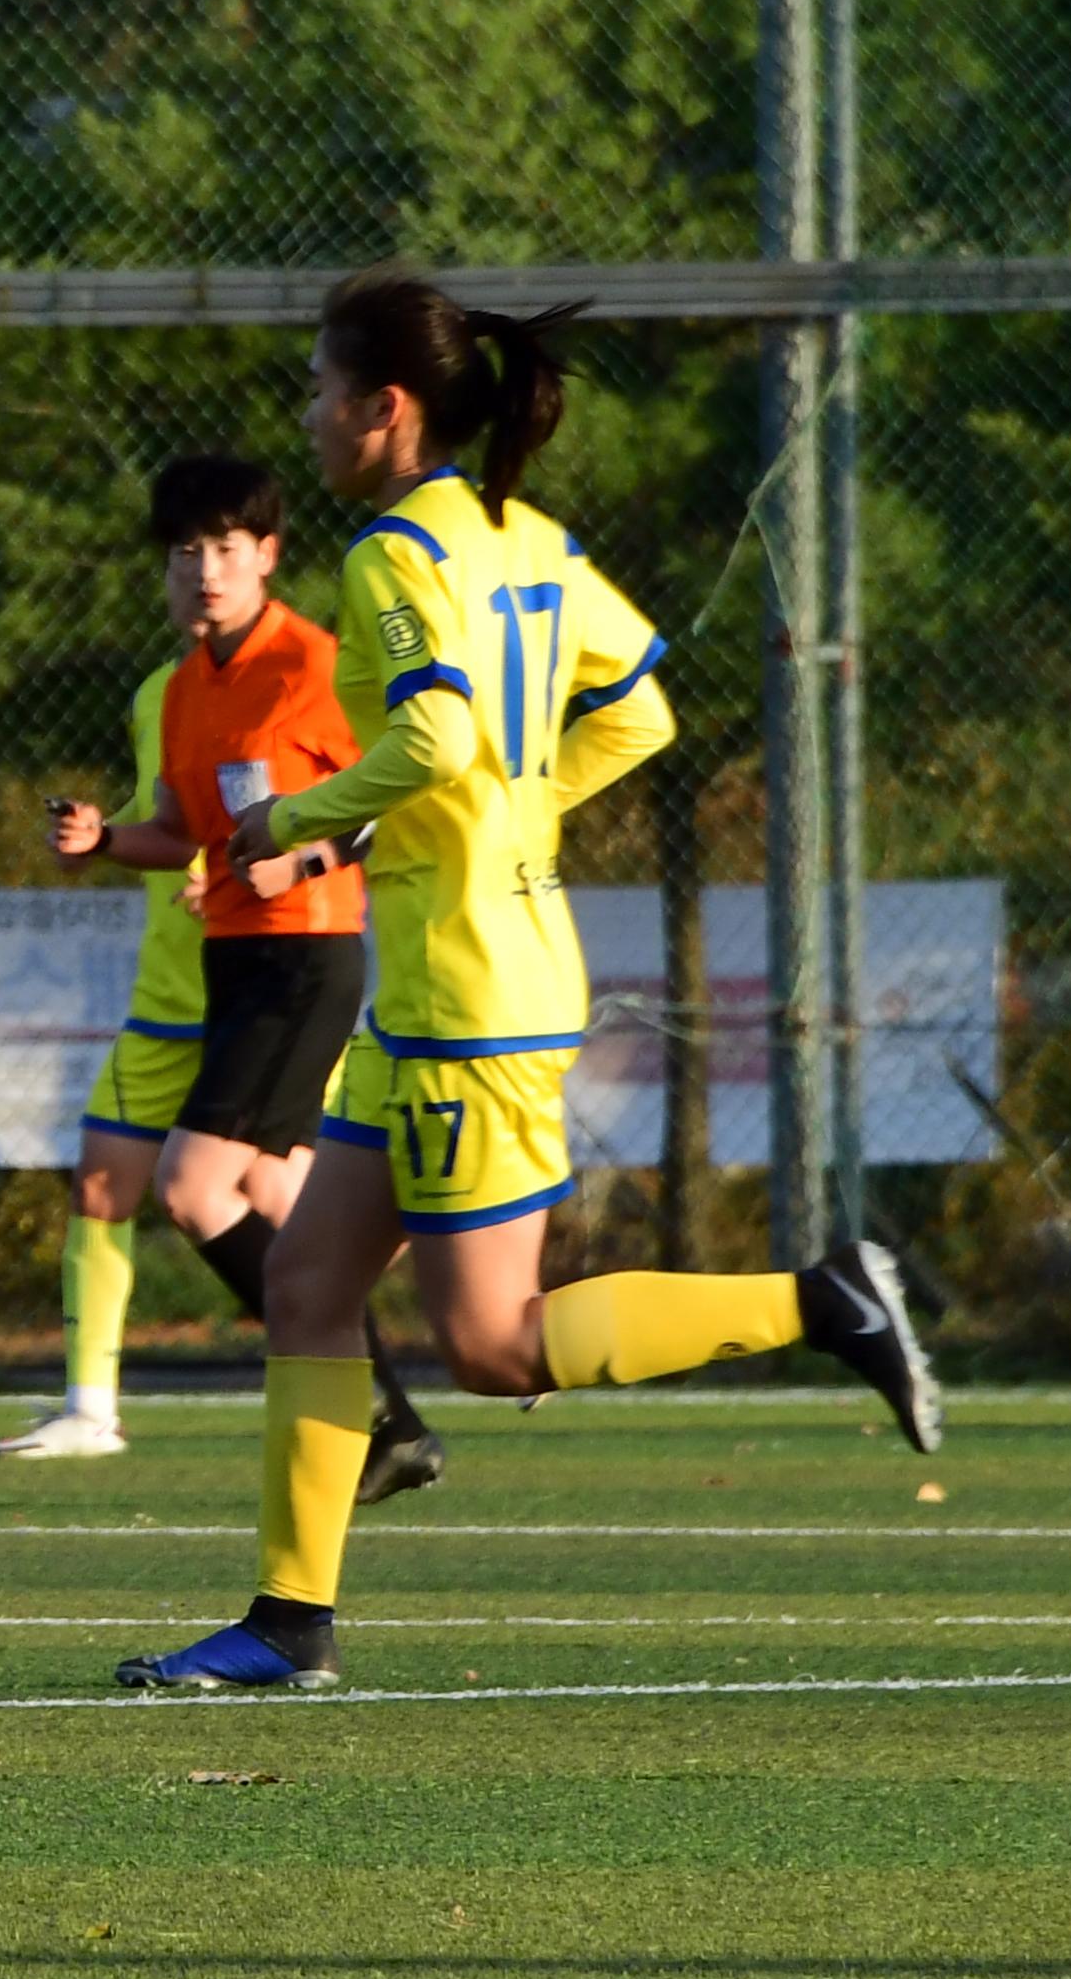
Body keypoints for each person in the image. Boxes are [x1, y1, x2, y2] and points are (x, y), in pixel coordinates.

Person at [118, 276, 933, 1695]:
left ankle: (826, 1300)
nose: (305, 415)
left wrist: (296, 820)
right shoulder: (522, 534)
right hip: (448, 982)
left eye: (320, 389)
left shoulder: (387, 556)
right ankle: (286, 1625)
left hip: (468, 993)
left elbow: (431, 741)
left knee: (493, 1347)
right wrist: (519, 806)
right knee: (308, 1279)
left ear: (385, 410)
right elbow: (642, 705)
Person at [26, 456, 444, 1495]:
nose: (204, 571)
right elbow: (183, 835)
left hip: (306, 960)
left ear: (267, 555)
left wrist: (303, 856)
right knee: (272, 1196)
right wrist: (103, 840)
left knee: (191, 1184)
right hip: (238, 968)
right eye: (185, 551)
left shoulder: (316, 665)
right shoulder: (182, 692)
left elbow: (396, 800)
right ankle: (393, 1419)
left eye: (225, 548)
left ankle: (364, 1401)